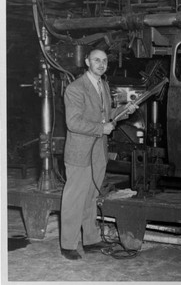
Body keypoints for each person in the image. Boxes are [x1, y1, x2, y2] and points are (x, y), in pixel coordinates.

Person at [60, 48, 135, 260]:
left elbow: (104, 116)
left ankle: (91, 239)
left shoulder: (103, 85)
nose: (101, 64)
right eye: (96, 60)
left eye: (104, 61)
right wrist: (100, 129)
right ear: (87, 62)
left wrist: (122, 111)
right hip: (80, 153)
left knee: (91, 196)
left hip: (98, 151)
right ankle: (68, 244)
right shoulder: (76, 88)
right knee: (74, 198)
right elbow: (73, 123)